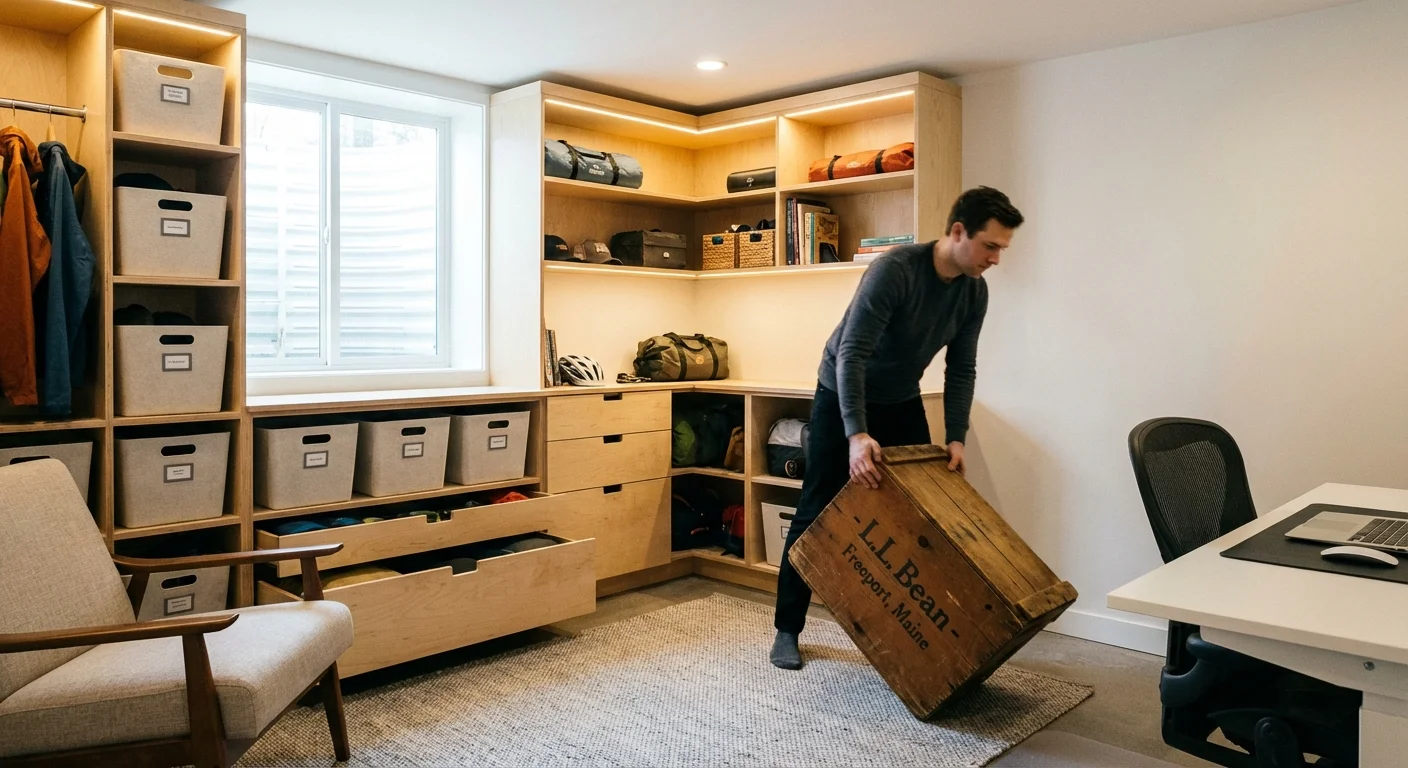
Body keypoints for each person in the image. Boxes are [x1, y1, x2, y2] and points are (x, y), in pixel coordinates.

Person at [769, 186, 1024, 670]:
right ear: (957, 232)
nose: (996, 258)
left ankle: (904, 634)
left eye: (1001, 249)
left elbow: (961, 368)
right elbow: (852, 354)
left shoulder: (974, 291)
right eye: (990, 246)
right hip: (842, 393)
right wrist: (856, 435)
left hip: (902, 396)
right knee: (815, 510)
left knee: (912, 514)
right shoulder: (895, 271)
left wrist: (955, 438)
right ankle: (787, 629)